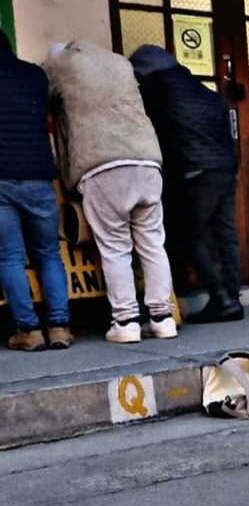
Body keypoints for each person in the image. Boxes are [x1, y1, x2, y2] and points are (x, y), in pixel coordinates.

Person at [44, 41, 175, 343]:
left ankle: (126, 321)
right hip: (147, 160)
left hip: (103, 165)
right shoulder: (120, 64)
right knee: (153, 243)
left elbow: (43, 92)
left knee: (116, 248)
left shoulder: (61, 66)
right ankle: (162, 317)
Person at [130, 45, 244, 323]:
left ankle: (221, 298)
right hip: (225, 168)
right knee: (225, 234)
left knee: (187, 235)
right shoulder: (205, 91)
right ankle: (232, 296)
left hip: (193, 170)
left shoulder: (156, 91)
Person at [0, 30, 72, 351]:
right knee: (48, 253)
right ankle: (59, 327)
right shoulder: (34, 76)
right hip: (40, 177)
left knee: (10, 256)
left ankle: (29, 332)